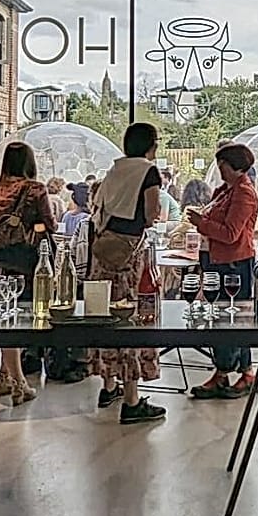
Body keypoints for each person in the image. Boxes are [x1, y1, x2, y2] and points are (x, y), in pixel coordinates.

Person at [85, 122, 166, 425]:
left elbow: (98, 208)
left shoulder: (113, 170)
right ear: (150, 145)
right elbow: (151, 211)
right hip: (127, 254)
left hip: (103, 251)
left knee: (104, 316)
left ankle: (109, 385)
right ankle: (132, 399)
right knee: (128, 317)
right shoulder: (148, 171)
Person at [0, 141, 56, 405]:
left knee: (3, 319)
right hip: (26, 263)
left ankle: (4, 376)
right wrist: (30, 227)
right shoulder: (35, 189)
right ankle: (19, 383)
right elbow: (50, 225)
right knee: (21, 319)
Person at [189, 143, 258, 400]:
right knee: (228, 318)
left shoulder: (244, 194)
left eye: (223, 166)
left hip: (233, 264)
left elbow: (231, 234)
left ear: (236, 167)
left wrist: (202, 223)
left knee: (230, 318)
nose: (220, 170)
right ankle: (240, 372)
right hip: (217, 261)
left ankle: (228, 372)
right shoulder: (224, 191)